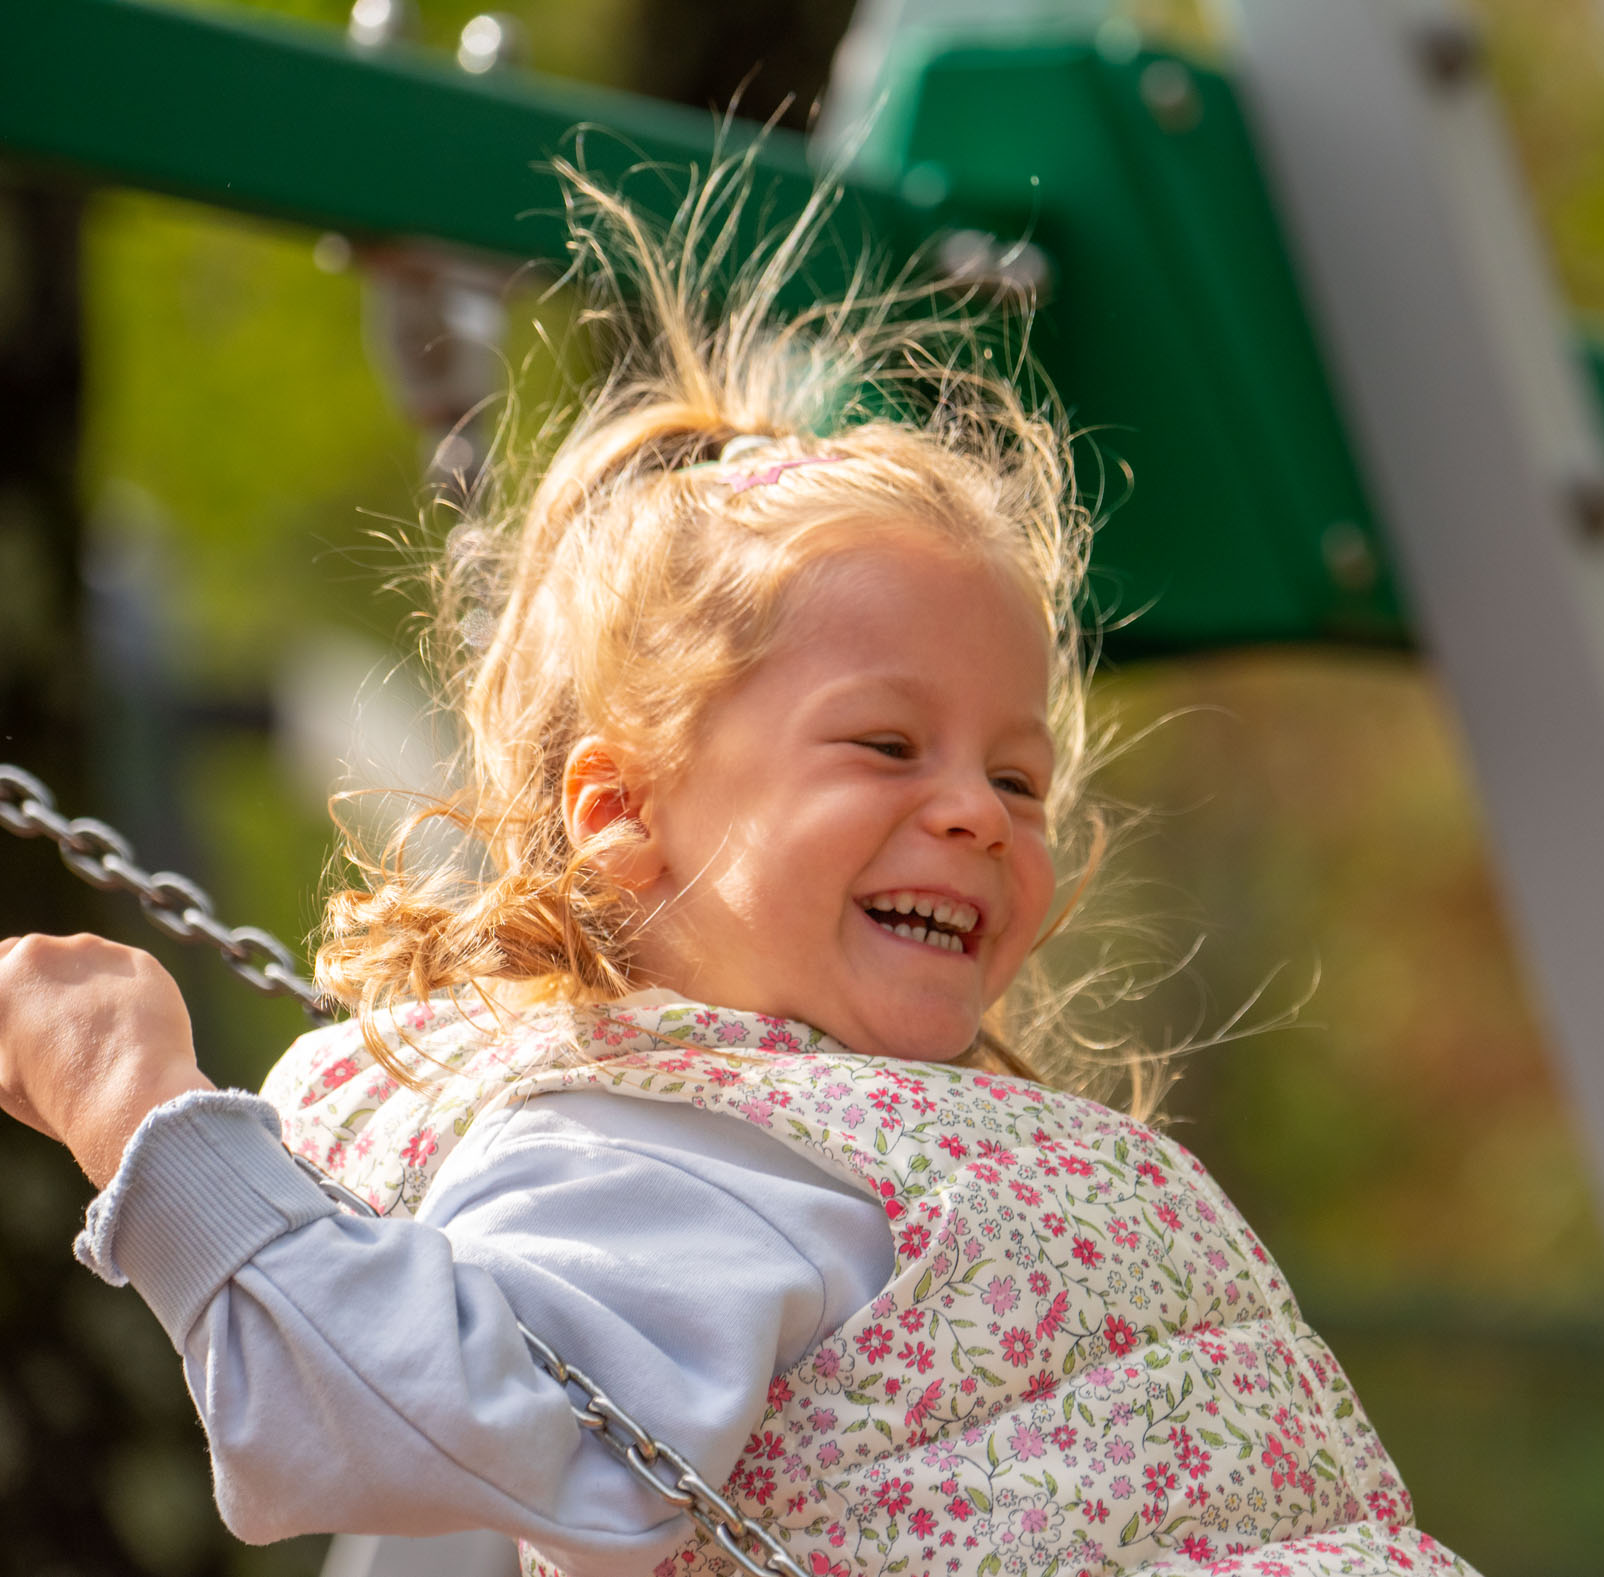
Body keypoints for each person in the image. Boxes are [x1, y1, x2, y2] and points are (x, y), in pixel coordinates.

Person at [0, 158, 1474, 1577]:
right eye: (887, 745)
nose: (979, 813)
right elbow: (407, 1414)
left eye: (1018, 777)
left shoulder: (901, 1140)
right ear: (621, 809)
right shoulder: (655, 1150)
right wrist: (136, 1100)